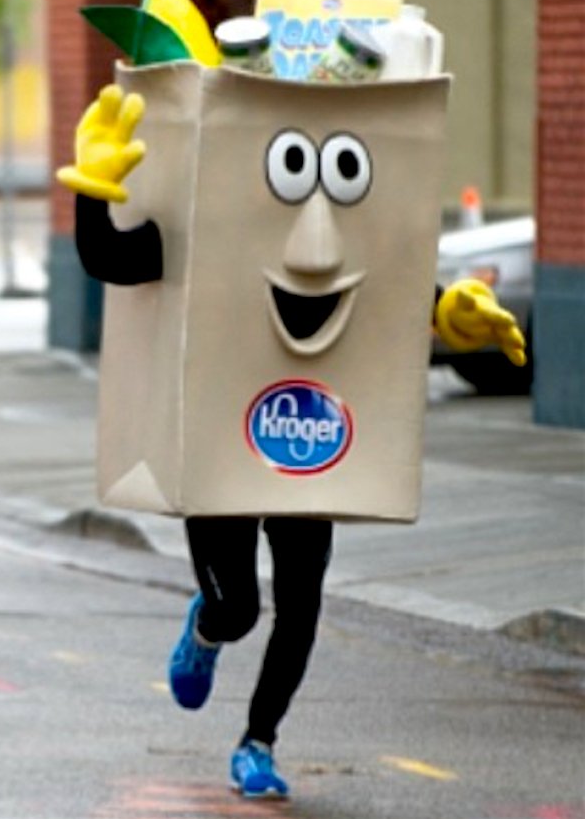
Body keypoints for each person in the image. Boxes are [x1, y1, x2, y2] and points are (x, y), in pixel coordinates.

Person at [58, 83, 527, 800]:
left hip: (314, 438)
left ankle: (258, 743)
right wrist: (93, 187)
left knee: (302, 601)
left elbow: (396, 295)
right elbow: (111, 258)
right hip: (219, 437)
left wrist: (454, 315)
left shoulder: (343, 238)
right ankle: (208, 631)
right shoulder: (197, 228)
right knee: (240, 606)